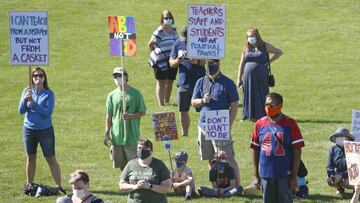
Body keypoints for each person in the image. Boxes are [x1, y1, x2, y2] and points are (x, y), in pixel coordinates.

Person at [191, 59, 241, 186]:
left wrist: (228, 125)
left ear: (219, 63)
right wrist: (202, 100)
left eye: (213, 63)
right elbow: (193, 102)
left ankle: (238, 186)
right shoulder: (200, 82)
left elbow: (234, 105)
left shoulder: (227, 83)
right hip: (203, 125)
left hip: (219, 124)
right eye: (208, 63)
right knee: (211, 159)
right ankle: (216, 185)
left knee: (227, 158)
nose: (211, 66)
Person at [250, 92, 305, 203]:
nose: (268, 108)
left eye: (272, 105)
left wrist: (294, 176)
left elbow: (297, 150)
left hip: (284, 174)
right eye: (266, 105)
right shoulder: (260, 124)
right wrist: (256, 174)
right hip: (266, 174)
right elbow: (255, 149)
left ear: (280, 106)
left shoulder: (290, 123)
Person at [18, 67, 64, 193]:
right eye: (35, 76)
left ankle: (58, 185)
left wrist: (34, 104)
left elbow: (47, 113)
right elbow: (21, 111)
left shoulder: (49, 94)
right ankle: (30, 185)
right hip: (29, 130)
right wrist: (25, 99)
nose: (38, 78)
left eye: (41, 75)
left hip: (45, 131)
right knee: (30, 158)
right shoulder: (26, 91)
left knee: (51, 158)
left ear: (45, 77)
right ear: (32, 78)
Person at [103, 67, 146, 170]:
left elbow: (143, 112)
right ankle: (124, 184)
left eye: (119, 75)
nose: (117, 78)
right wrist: (107, 132)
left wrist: (131, 116)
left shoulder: (136, 94)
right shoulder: (111, 95)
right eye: (115, 76)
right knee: (122, 166)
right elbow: (109, 116)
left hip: (131, 136)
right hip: (117, 137)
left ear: (126, 76)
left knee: (134, 165)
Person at [237, 28, 283, 122]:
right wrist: (239, 78)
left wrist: (269, 61)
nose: (251, 38)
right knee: (248, 94)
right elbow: (242, 63)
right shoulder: (246, 48)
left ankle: (262, 114)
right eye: (249, 36)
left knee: (261, 93)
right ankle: (247, 115)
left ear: (257, 36)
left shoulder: (265, 46)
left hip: (261, 75)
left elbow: (279, 52)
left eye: (252, 36)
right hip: (248, 76)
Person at [169, 25, 205, 137]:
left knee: (203, 110)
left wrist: (197, 62)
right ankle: (185, 133)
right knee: (183, 110)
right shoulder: (178, 44)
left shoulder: (202, 44)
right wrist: (177, 61)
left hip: (200, 83)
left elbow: (210, 63)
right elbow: (171, 63)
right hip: (184, 83)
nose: (185, 41)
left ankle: (204, 132)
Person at [119, 139, 172, 203]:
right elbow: (122, 185)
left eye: (145, 148)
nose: (141, 150)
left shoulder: (159, 165)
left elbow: (167, 188)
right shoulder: (131, 164)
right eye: (139, 148)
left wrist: (150, 186)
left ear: (151, 150)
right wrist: (135, 186)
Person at [148, 9, 179, 106]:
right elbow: (150, 44)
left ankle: (167, 101)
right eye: (166, 18)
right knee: (161, 82)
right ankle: (161, 104)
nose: (168, 19)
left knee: (170, 81)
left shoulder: (174, 30)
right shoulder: (159, 31)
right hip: (160, 59)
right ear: (162, 19)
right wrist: (155, 51)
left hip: (172, 58)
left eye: (170, 17)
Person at [326, 127, 354, 194]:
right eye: (338, 136)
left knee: (348, 183)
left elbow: (354, 168)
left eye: (342, 136)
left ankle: (356, 190)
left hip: (351, 175)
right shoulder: (332, 149)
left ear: (348, 138)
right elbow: (329, 167)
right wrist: (332, 175)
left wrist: (341, 176)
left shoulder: (353, 149)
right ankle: (339, 188)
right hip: (338, 174)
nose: (340, 138)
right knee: (329, 181)